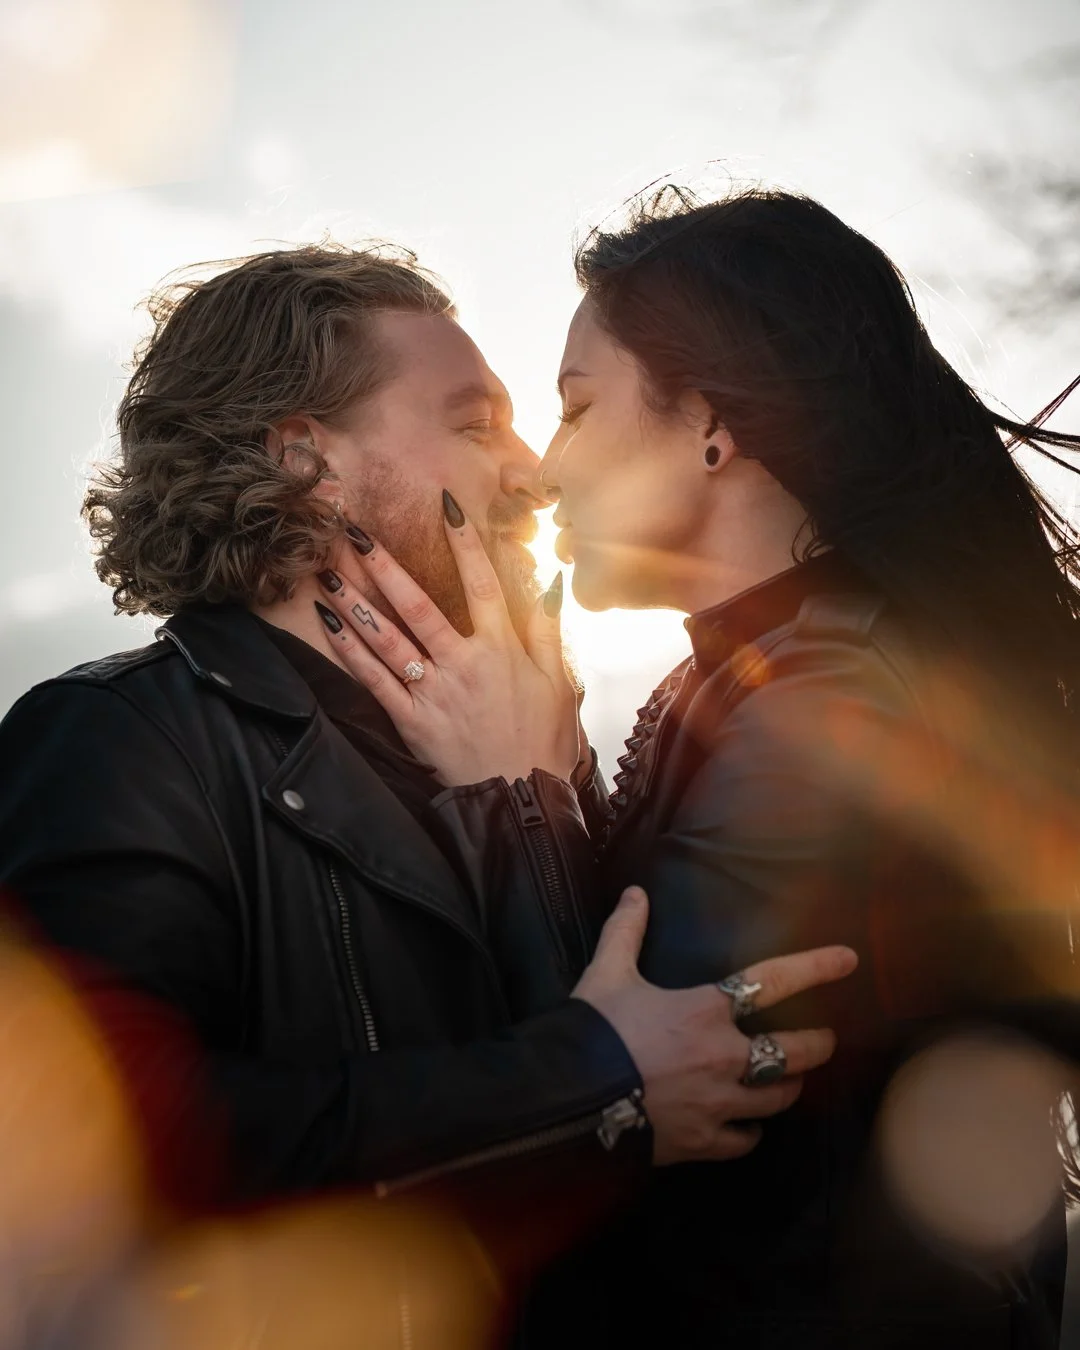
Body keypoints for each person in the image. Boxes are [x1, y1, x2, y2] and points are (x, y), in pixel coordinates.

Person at [0, 244, 855, 1311]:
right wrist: (582, 1090)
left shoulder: (519, 742)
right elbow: (102, 1146)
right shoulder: (122, 739)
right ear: (304, 463)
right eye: (476, 423)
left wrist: (541, 795)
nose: (531, 471)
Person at [314, 189, 1080, 1347]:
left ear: (711, 425)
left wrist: (514, 795)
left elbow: (634, 1103)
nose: (544, 473)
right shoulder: (752, 673)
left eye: (576, 409)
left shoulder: (833, 702)